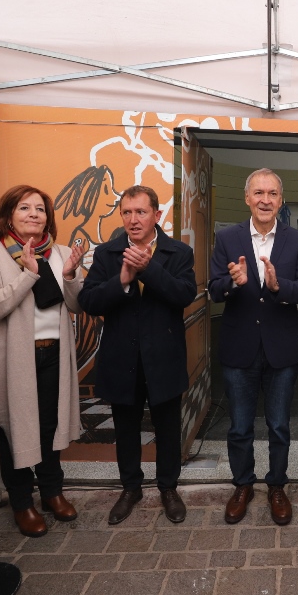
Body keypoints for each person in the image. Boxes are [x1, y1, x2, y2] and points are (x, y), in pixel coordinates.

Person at [78, 185, 196, 526]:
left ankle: (168, 489)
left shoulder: (178, 252)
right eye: (127, 212)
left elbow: (184, 294)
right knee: (126, 428)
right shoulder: (107, 254)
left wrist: (148, 270)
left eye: (140, 212)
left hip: (164, 357)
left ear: (157, 215)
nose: (133, 220)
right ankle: (130, 488)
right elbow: (89, 302)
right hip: (121, 358)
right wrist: (124, 279)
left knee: (168, 428)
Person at [0, 185, 84, 538]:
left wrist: (68, 276)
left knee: (49, 426)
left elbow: (80, 306)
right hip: (13, 361)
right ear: (8, 216)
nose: (34, 214)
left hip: (54, 354)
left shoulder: (62, 252)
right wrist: (28, 273)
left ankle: (52, 491)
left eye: (40, 208)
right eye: (25, 208)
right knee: (13, 429)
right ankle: (22, 502)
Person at [208, 168, 298, 526]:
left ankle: (277, 486)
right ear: (247, 198)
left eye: (272, 193)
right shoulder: (226, 237)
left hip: (280, 350)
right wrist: (233, 282)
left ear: (280, 200)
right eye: (258, 193)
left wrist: (276, 286)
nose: (265, 199)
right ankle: (242, 486)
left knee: (279, 426)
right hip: (239, 348)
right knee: (239, 426)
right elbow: (213, 288)